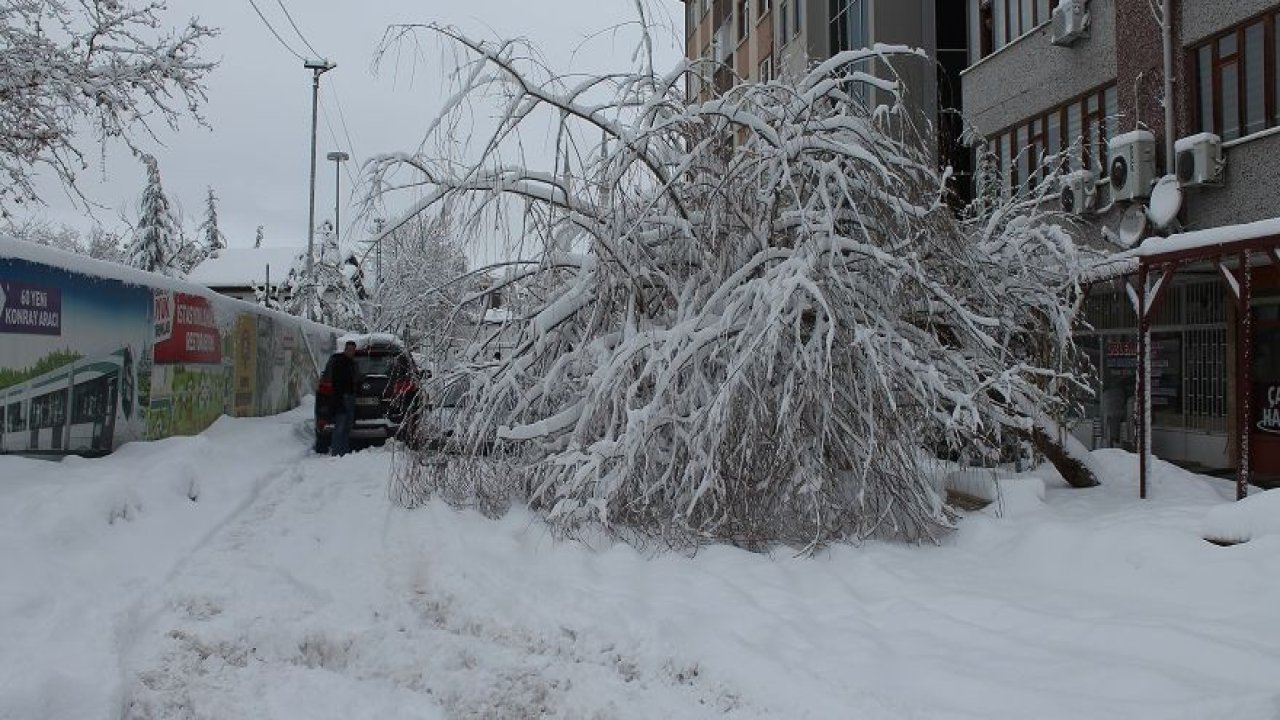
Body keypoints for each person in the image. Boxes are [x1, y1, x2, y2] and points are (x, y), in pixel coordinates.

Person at [328, 340, 359, 456]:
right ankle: (336, 453)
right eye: (349, 349)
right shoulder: (339, 362)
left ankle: (344, 452)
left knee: (347, 427)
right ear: (345, 349)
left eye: (353, 350)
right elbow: (336, 384)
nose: (351, 352)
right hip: (341, 398)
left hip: (351, 397)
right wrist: (339, 401)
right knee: (340, 427)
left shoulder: (352, 363)